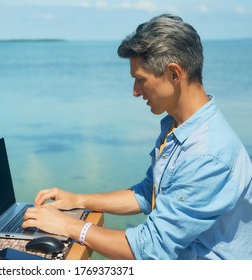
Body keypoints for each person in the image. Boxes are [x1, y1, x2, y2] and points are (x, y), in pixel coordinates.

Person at [22, 14, 252, 259]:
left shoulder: (207, 153)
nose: (135, 92)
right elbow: (147, 193)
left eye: (141, 80)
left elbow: (150, 248)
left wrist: (68, 226)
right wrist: (78, 199)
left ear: (174, 74)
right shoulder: (179, 127)